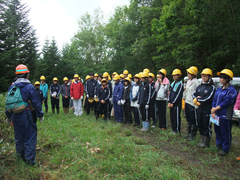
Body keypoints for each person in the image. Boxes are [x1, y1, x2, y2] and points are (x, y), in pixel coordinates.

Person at [5, 64, 43, 166]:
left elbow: (9, 102)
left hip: (15, 116)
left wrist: (8, 116)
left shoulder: (12, 86)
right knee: (30, 137)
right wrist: (40, 114)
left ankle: (20, 158)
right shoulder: (29, 87)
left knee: (19, 137)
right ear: (26, 74)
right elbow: (36, 102)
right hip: (27, 115)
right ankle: (30, 162)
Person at [211, 69, 237, 156]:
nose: (220, 79)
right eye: (220, 77)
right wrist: (213, 109)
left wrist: (215, 109)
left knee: (225, 131)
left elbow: (226, 102)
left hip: (225, 114)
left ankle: (226, 148)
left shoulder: (231, 90)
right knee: (217, 130)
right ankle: (219, 144)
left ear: (227, 79)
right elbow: (214, 99)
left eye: (222, 77)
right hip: (217, 114)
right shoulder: (219, 89)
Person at [192, 68, 215, 148]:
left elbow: (208, 98)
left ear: (209, 77)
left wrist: (198, 99)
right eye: (202, 75)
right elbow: (193, 94)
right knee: (200, 124)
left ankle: (206, 142)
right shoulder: (200, 86)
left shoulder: (211, 87)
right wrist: (195, 99)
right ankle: (202, 140)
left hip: (207, 110)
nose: (203, 77)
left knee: (206, 125)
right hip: (199, 109)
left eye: (205, 75)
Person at [183, 66, 200, 141]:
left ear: (193, 74)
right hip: (187, 101)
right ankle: (188, 133)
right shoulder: (188, 81)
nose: (188, 75)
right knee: (188, 118)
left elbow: (198, 92)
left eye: (189, 73)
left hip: (192, 103)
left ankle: (193, 136)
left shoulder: (196, 82)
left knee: (193, 119)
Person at [168, 69, 184, 135]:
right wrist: (169, 101)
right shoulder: (173, 83)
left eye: (175, 75)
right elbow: (170, 93)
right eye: (173, 75)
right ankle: (173, 129)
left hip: (176, 104)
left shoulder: (180, 84)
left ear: (179, 76)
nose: (174, 76)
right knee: (172, 116)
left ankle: (177, 130)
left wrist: (173, 103)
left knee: (176, 117)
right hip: (171, 103)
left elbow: (178, 95)